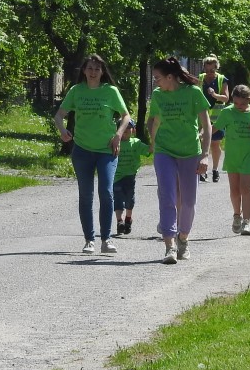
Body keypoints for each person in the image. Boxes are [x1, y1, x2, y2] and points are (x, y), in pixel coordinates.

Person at [54, 54, 132, 255]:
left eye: (97, 69)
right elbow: (59, 115)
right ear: (84, 70)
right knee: (86, 195)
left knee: (106, 191)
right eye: (89, 68)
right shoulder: (76, 91)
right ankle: (89, 240)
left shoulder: (110, 91)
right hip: (82, 150)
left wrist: (118, 135)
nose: (93, 72)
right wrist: (62, 130)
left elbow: (126, 116)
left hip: (107, 150)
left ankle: (106, 239)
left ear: (102, 71)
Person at [146, 57, 212, 264]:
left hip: (190, 152)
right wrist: (153, 141)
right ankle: (170, 246)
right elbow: (152, 120)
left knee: (189, 202)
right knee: (167, 197)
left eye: (157, 78)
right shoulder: (158, 95)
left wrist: (205, 155)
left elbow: (207, 125)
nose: (155, 82)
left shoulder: (193, 92)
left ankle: (183, 238)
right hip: (164, 151)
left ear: (170, 77)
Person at [214, 85, 250, 235]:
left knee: (245, 188)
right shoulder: (227, 112)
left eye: (243, 103)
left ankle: (247, 222)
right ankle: (236, 215)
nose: (239, 106)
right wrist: (202, 134)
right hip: (233, 155)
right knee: (234, 190)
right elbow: (215, 127)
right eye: (236, 103)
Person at [112, 120, 152, 236]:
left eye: (128, 128)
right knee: (118, 199)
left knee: (130, 199)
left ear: (133, 130)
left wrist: (154, 140)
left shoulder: (136, 143)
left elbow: (148, 150)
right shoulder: (114, 142)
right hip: (116, 176)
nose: (125, 130)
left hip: (130, 175)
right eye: (123, 128)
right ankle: (119, 221)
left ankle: (128, 218)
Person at [198, 55, 230, 182]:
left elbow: (226, 98)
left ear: (216, 68)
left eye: (212, 70)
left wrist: (215, 94)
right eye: (207, 70)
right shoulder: (200, 78)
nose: (209, 73)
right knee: (201, 142)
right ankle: (202, 170)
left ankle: (215, 170)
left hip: (217, 118)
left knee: (215, 144)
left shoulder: (222, 79)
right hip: (202, 116)